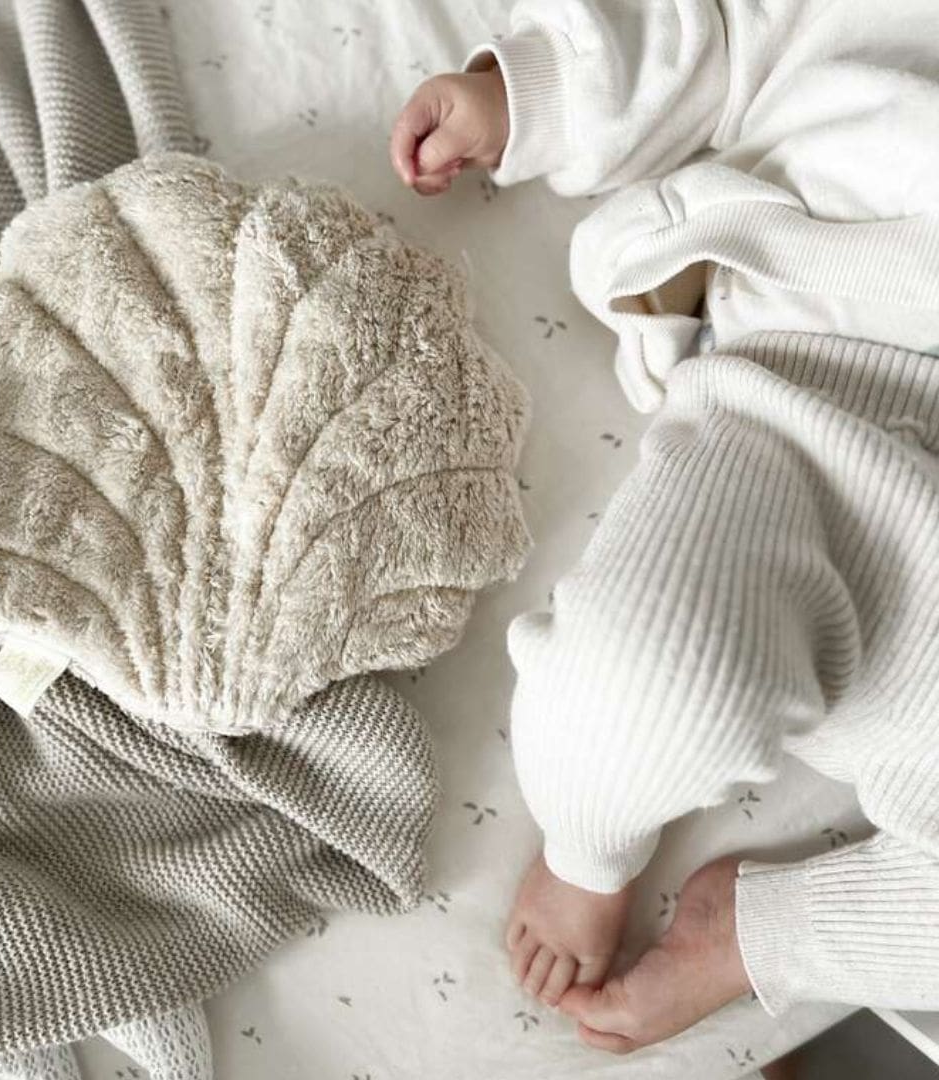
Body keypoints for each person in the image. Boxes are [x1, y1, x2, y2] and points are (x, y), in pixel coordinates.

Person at [390, 0, 939, 1055]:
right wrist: (526, 93)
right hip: (813, 393)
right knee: (648, 682)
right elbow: (703, 31)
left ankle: (758, 935)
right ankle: (592, 845)